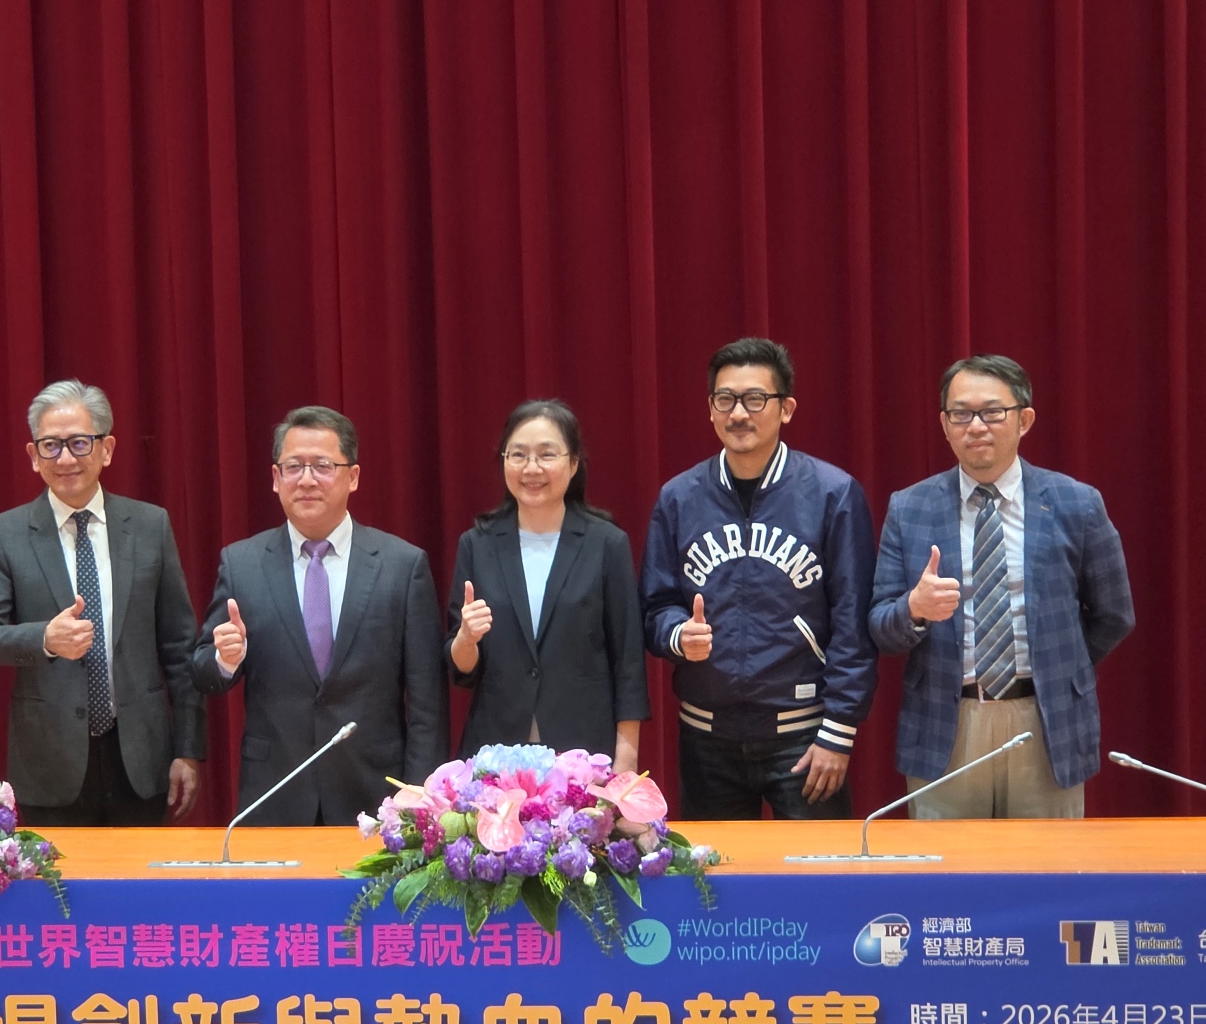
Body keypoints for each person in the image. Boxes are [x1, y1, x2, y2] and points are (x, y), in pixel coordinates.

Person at [869, 355, 1134, 818]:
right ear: (944, 425)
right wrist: (914, 609)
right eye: (961, 414)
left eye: (992, 412)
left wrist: (1057, 667)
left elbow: (1114, 614)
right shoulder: (909, 508)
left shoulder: (1077, 504)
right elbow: (879, 627)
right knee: (948, 864)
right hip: (947, 723)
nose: (976, 426)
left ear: (1024, 419)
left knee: (1047, 862)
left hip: (1045, 718)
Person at [640, 338, 878, 819]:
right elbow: (655, 605)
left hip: (805, 734)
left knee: (815, 867)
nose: (738, 414)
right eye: (725, 399)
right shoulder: (678, 498)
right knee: (718, 869)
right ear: (710, 409)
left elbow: (853, 619)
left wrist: (839, 730)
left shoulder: (833, 494)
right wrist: (678, 635)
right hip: (706, 737)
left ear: (785, 409)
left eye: (755, 399)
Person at [0, 381, 205, 826]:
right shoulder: (6, 535)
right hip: (49, 761)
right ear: (33, 456)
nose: (65, 459)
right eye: (51, 446)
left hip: (140, 759)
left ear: (106, 449)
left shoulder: (150, 526)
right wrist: (44, 639)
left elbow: (180, 647)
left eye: (79, 443)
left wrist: (187, 748)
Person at [192, 406, 447, 825]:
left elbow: (426, 700)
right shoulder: (242, 564)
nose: (307, 480)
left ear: (353, 476)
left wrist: (419, 795)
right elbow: (203, 671)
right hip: (275, 792)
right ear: (276, 478)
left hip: (375, 792)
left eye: (323, 466)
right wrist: (225, 659)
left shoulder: (402, 566)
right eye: (294, 467)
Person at [447, 400, 648, 768]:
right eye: (518, 455)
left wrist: (627, 756)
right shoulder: (477, 545)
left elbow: (628, 661)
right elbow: (462, 669)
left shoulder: (606, 544)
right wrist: (466, 639)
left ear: (573, 464)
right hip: (496, 750)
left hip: (584, 750)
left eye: (546, 454)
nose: (531, 468)